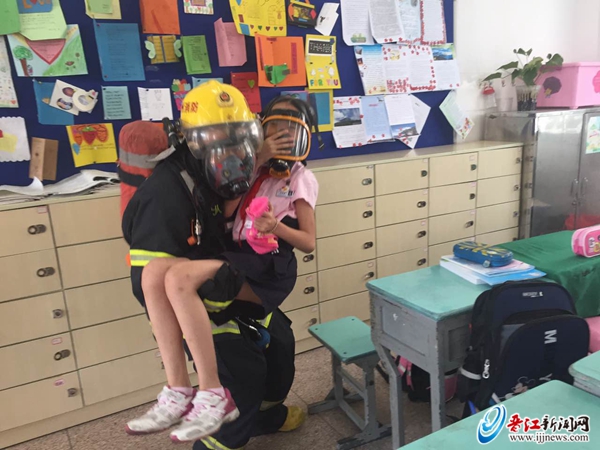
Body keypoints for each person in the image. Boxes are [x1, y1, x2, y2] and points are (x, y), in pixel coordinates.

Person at [121, 83, 314, 448]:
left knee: (281, 345)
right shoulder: (165, 193)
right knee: (241, 377)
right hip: (198, 301)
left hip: (232, 275)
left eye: (242, 138)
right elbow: (149, 284)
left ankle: (265, 417)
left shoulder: (223, 172)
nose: (234, 151)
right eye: (221, 139)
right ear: (194, 141)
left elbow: (233, 213)